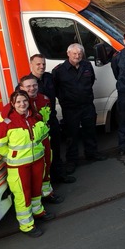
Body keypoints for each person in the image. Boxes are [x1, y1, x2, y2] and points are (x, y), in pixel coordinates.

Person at [0, 90, 54, 237]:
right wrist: (14, 156)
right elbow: (1, 147)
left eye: (25, 101)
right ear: (13, 104)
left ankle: (38, 211)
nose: (22, 104)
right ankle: (26, 224)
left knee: (36, 189)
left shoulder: (35, 117)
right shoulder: (7, 124)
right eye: (18, 102)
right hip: (19, 166)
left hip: (37, 162)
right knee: (23, 194)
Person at [53, 43, 107, 174]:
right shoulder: (59, 71)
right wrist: (66, 99)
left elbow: (91, 81)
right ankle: (72, 160)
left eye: (80, 54)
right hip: (70, 108)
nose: (77, 56)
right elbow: (55, 89)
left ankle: (92, 153)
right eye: (74, 54)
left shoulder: (87, 65)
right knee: (72, 135)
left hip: (87, 105)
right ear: (68, 54)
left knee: (90, 131)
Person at [27, 54, 75, 184]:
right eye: (38, 64)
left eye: (43, 64)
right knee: (43, 154)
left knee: (56, 149)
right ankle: (47, 181)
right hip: (37, 125)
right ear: (31, 64)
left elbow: (59, 92)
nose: (41, 66)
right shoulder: (27, 83)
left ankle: (60, 175)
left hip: (51, 120)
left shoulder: (49, 77)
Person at [19, 75, 62, 204]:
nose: (32, 88)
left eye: (34, 85)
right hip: (29, 147)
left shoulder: (44, 99)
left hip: (44, 141)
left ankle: (47, 193)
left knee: (46, 167)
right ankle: (36, 200)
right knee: (33, 175)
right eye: (28, 86)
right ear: (21, 88)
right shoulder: (18, 103)